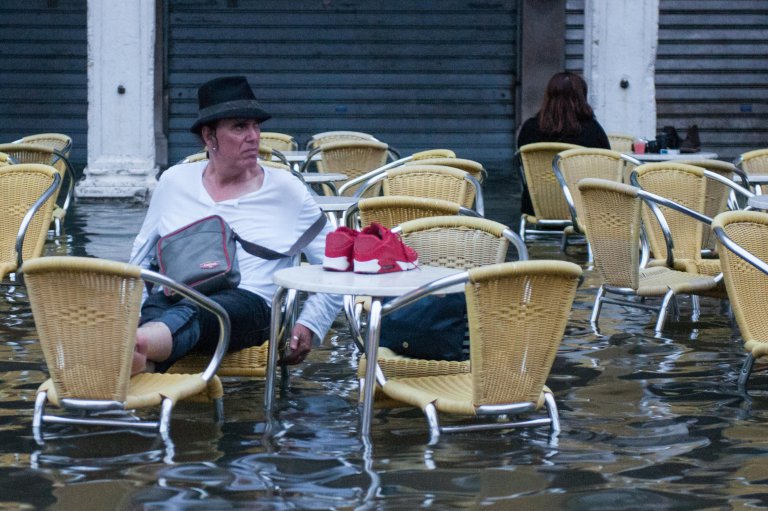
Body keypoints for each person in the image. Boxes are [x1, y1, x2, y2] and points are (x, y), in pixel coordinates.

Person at [129, 75, 342, 374]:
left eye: (256, 126)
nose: (254, 136)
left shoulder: (286, 189)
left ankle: (132, 346)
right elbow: (138, 258)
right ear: (209, 136)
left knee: (197, 312)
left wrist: (310, 322)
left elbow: (337, 264)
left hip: (249, 308)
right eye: (240, 127)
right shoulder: (174, 182)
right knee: (160, 317)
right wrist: (134, 312)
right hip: (173, 297)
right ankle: (136, 362)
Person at [516, 71, 610, 215]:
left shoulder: (530, 128)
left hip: (537, 208)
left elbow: (521, 166)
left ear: (548, 96)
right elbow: (606, 168)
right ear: (581, 97)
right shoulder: (593, 130)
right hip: (583, 209)